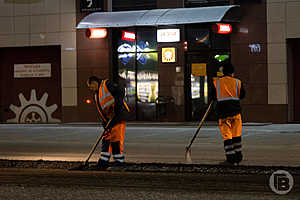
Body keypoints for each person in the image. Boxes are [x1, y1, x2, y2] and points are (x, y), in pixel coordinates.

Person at [87, 76, 130, 169]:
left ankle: (119, 162)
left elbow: (121, 90)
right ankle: (103, 161)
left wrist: (117, 107)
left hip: (118, 117)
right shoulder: (97, 94)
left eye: (90, 86)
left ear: (94, 83)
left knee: (116, 140)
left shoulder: (106, 85)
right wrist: (104, 123)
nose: (90, 89)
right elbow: (103, 110)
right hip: (109, 120)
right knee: (106, 140)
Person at [211, 63, 246, 165]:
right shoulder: (238, 82)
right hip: (236, 112)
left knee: (227, 136)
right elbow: (242, 95)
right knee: (236, 135)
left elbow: (213, 97)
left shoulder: (216, 83)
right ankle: (238, 156)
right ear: (232, 72)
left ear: (222, 72)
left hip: (223, 114)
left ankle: (230, 158)